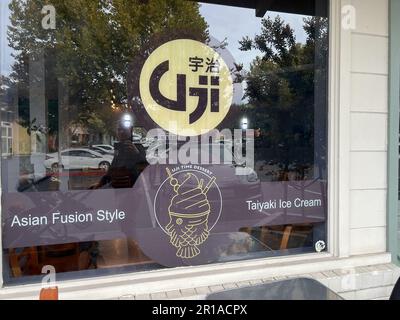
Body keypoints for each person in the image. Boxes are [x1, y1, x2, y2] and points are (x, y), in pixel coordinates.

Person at [90, 115, 146, 189]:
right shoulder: (119, 148)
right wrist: (100, 183)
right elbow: (112, 168)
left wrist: (136, 153)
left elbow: (144, 167)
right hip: (118, 188)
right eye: (119, 129)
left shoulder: (138, 147)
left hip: (133, 188)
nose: (121, 132)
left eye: (124, 129)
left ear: (130, 130)